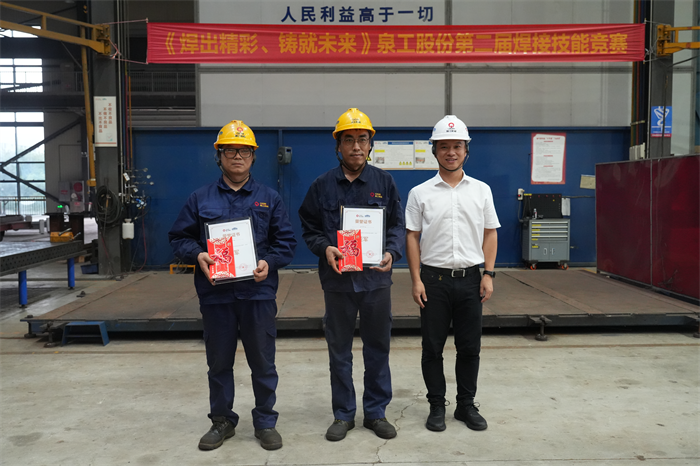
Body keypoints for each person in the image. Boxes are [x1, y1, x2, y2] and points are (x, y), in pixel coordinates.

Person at [168, 120, 296, 451]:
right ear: (219, 155)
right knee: (219, 363)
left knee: (263, 362)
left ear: (253, 156)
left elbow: (286, 243)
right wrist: (197, 254)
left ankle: (265, 421)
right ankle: (222, 421)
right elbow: (178, 238)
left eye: (244, 151)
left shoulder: (269, 198)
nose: (237, 156)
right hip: (217, 296)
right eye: (230, 150)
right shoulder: (200, 198)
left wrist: (269, 262)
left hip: (258, 294)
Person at [298, 108, 405, 442]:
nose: (356, 146)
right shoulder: (321, 185)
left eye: (362, 139)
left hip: (376, 282)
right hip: (338, 283)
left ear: (370, 145)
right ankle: (343, 415)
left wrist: (391, 252)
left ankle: (376, 413)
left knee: (377, 348)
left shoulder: (384, 183)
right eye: (349, 140)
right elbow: (309, 228)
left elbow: (397, 226)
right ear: (338, 146)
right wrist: (325, 248)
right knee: (339, 351)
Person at [405, 115, 500, 433]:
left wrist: (488, 274)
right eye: (444, 146)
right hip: (433, 281)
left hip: (471, 280)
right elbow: (412, 237)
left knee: (470, 347)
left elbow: (490, 232)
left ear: (466, 150)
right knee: (432, 348)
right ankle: (436, 406)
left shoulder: (481, 190)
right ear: (434, 150)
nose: (451, 152)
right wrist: (416, 280)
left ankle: (465, 405)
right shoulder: (420, 193)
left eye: (457, 146)